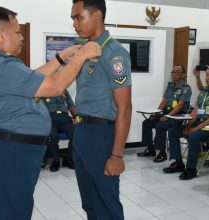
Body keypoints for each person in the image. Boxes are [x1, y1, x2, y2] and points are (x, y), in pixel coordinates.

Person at [0, 6, 101, 220]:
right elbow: (54, 87)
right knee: (9, 213)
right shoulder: (2, 65)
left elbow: (32, 79)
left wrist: (61, 58)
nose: (21, 37)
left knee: (12, 210)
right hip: (9, 154)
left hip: (9, 151)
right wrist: (82, 56)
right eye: (17, 32)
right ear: (1, 35)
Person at [71, 0, 132, 219]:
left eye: (79, 17)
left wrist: (117, 155)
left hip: (101, 135)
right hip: (82, 133)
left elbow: (124, 108)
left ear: (97, 15)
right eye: (73, 19)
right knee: (89, 203)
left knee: (106, 203)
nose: (75, 24)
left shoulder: (114, 54)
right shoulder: (86, 51)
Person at [167, 66, 209, 180]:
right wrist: (189, 125)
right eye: (206, 75)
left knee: (193, 136)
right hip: (197, 124)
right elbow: (196, 110)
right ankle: (178, 163)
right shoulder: (204, 92)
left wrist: (196, 129)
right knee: (173, 131)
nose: (207, 77)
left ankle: (191, 169)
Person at [137, 66, 191, 163]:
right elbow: (164, 101)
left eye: (178, 72)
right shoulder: (170, 86)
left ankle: (162, 153)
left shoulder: (186, 88)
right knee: (147, 123)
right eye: (173, 72)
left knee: (160, 126)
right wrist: (155, 113)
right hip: (167, 112)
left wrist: (167, 116)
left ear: (183, 74)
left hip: (178, 115)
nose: (175, 74)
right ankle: (150, 149)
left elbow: (180, 105)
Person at [43, 89, 76, 172]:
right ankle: (55, 161)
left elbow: (71, 106)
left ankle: (68, 159)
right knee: (52, 135)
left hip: (65, 118)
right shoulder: (44, 89)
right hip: (50, 119)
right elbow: (39, 106)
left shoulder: (64, 91)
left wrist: (77, 117)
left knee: (77, 132)